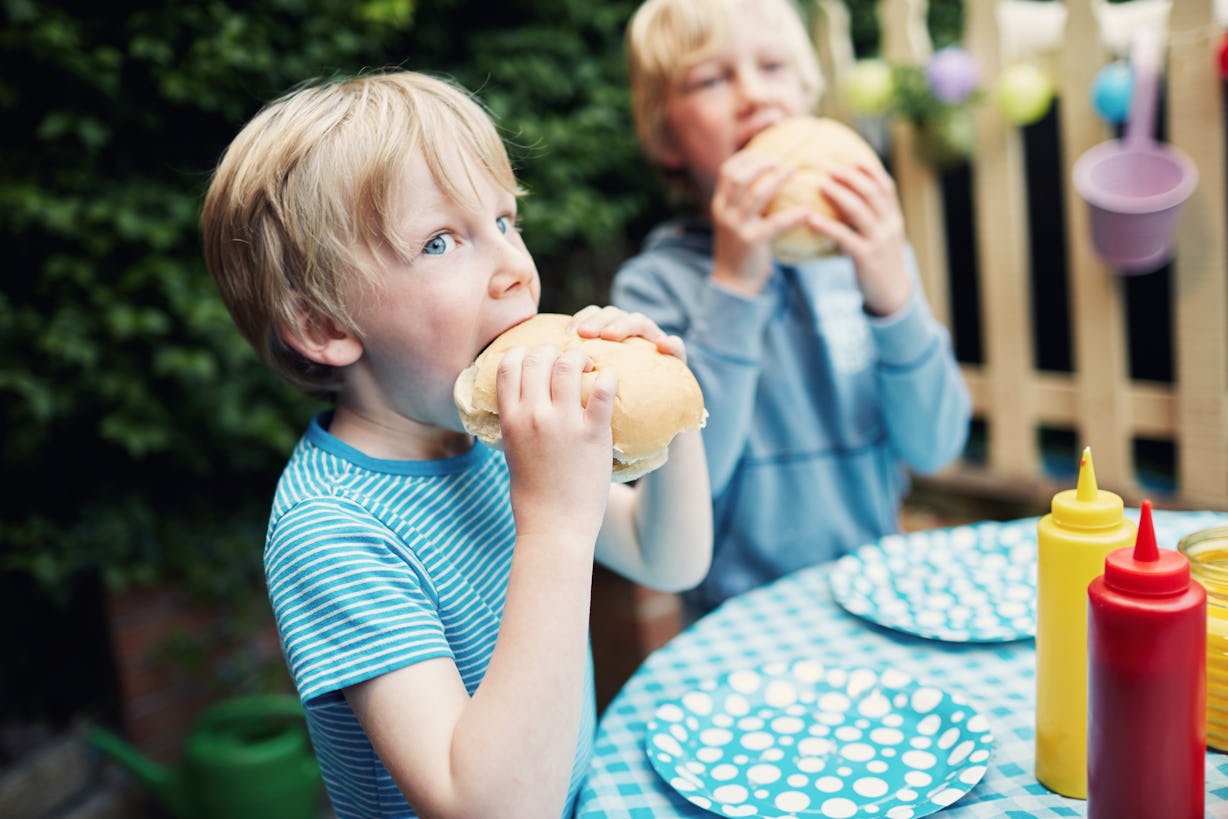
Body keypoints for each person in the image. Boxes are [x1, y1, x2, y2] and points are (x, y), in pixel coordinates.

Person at [200, 69, 712, 819]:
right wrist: (556, 525)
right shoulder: (333, 529)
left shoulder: (492, 434)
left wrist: (667, 404)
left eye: (506, 221)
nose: (514, 268)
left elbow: (668, 557)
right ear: (325, 326)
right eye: (441, 241)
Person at [613, 0, 971, 614]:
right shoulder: (654, 290)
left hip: (876, 595)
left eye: (774, 66)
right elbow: (689, 487)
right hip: (739, 618)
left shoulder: (862, 261)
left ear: (806, 95)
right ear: (666, 137)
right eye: (712, 79)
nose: (754, 95)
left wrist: (892, 296)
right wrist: (735, 285)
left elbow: (935, 445)